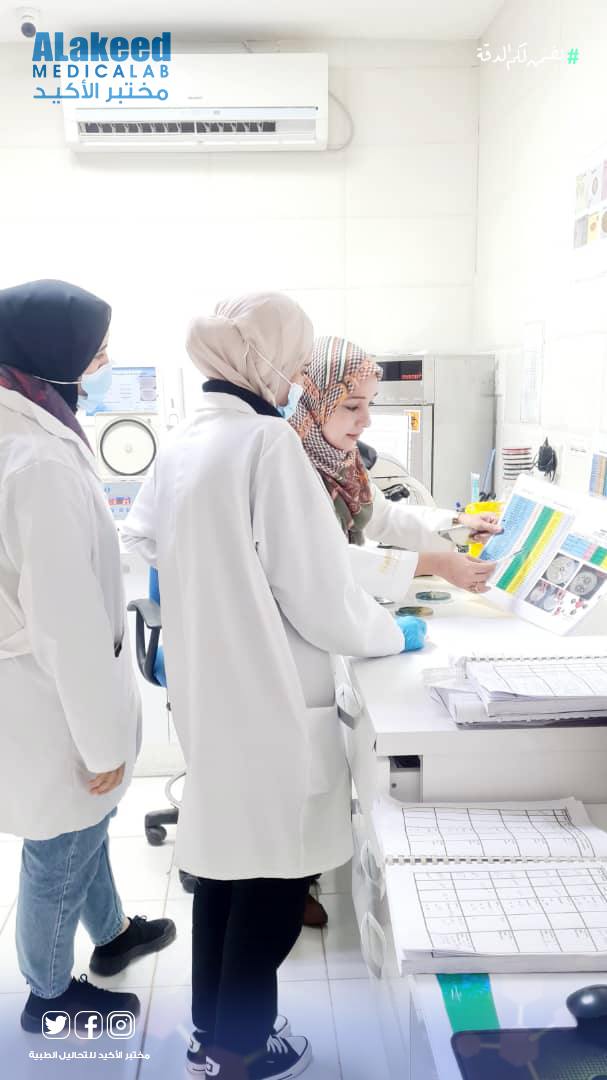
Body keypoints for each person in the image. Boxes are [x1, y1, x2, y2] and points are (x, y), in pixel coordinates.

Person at [121, 292, 427, 1080]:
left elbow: (145, 537)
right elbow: (318, 593)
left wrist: (218, 579)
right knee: (275, 882)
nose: (296, 379)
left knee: (224, 868)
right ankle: (240, 1051)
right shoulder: (266, 445)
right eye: (292, 362)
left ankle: (210, 1035)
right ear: (259, 360)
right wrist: (391, 633)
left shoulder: (184, 442)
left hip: (211, 693)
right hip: (270, 697)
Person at [0, 279, 176, 1036]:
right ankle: (47, 995)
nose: (104, 363)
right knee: (60, 847)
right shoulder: (36, 461)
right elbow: (66, 624)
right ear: (49, 354)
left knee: (87, 824)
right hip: (51, 697)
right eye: (94, 351)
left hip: (47, 683)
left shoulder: (30, 430)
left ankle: (112, 935)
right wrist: (101, 743)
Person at [290, 335, 501, 929]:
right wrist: (437, 564)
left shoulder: (339, 460)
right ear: (316, 400)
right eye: (351, 405)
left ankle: (304, 869)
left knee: (324, 761)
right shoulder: (292, 465)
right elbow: (332, 559)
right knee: (301, 768)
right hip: (294, 633)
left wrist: (457, 522)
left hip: (330, 622)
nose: (364, 420)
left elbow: (382, 516)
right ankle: (288, 884)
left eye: (370, 405)